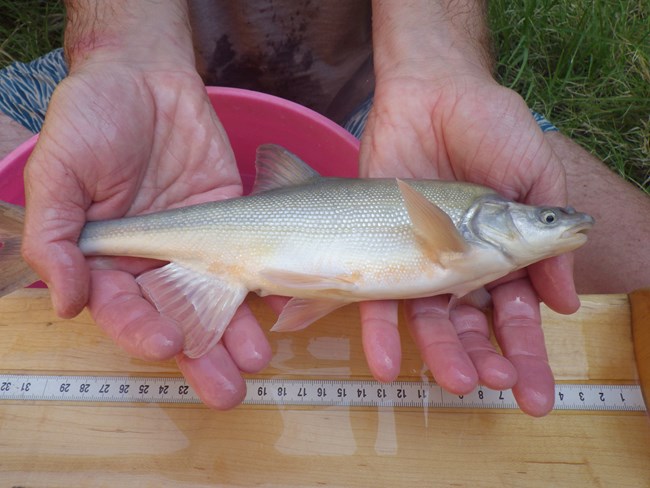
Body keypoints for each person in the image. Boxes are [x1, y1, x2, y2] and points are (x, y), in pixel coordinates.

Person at [0, 0, 648, 417]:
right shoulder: (463, 242)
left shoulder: (465, 209)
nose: (560, 223)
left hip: (398, 89)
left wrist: (441, 65)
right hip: (138, 79)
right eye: (547, 220)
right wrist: (126, 55)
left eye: (548, 220)